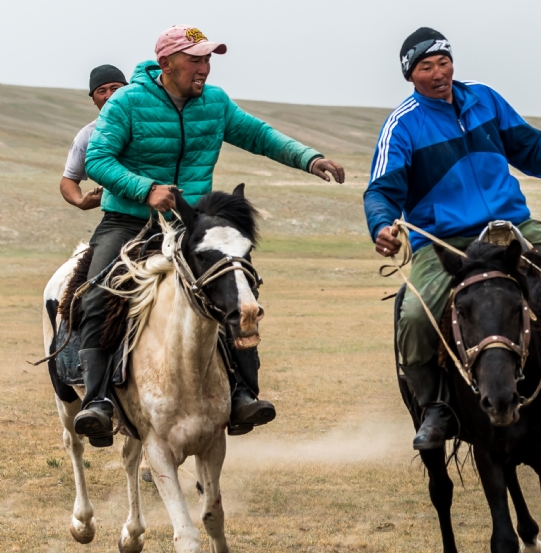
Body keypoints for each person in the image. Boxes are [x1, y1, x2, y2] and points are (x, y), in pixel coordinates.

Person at [75, 24, 346, 446]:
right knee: (97, 293)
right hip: (129, 219)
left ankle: (241, 393)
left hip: (190, 224)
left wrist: (309, 159)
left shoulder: (215, 103)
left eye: (208, 60)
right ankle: (97, 401)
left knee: (236, 292)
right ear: (166, 64)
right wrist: (146, 189)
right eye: (195, 59)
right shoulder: (127, 102)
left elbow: (259, 135)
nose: (204, 68)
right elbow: (98, 158)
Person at [365, 27, 541, 451]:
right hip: (446, 242)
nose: (438, 73)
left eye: (443, 62)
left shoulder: (484, 99)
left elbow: (531, 150)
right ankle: (435, 408)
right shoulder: (403, 125)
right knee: (412, 318)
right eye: (426, 67)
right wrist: (382, 226)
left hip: (511, 228)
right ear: (410, 75)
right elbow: (381, 191)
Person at [60, 65, 129, 210]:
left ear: (127, 90)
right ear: (93, 99)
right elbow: (68, 181)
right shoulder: (88, 134)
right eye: (101, 91)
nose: (109, 96)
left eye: (115, 88)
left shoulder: (150, 122)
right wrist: (80, 201)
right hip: (120, 215)